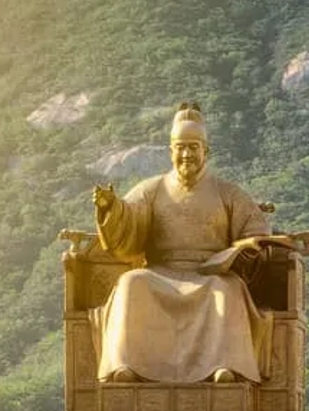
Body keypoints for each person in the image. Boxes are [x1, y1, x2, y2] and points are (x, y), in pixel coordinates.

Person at [92, 102, 280, 384]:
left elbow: (255, 230)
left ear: (207, 151)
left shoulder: (228, 193)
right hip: (159, 273)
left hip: (212, 274)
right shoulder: (151, 190)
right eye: (181, 147)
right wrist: (111, 208)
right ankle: (126, 366)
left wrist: (245, 247)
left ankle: (224, 366)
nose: (187, 154)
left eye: (194, 147)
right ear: (171, 151)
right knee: (132, 283)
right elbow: (128, 222)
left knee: (226, 290)